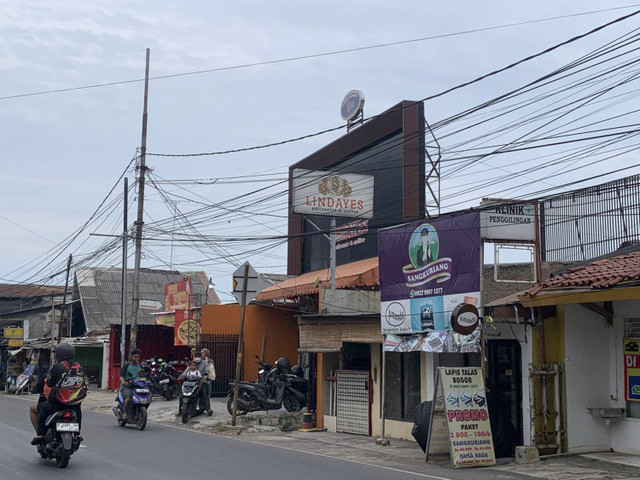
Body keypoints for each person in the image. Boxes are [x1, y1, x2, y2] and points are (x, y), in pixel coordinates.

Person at [32, 343, 84, 445]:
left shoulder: (57, 367)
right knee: (78, 410)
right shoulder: (79, 368)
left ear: (59, 355)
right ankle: (77, 434)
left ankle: (40, 434)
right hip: (74, 403)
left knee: (41, 409)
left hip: (58, 403)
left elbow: (50, 382)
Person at [119, 348, 142, 420]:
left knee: (148, 395)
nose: (136, 358)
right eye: (135, 357)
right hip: (127, 387)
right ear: (131, 357)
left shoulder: (140, 366)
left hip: (138, 386)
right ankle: (125, 413)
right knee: (129, 397)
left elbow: (143, 376)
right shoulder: (126, 366)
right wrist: (124, 382)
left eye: (138, 357)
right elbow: (121, 376)